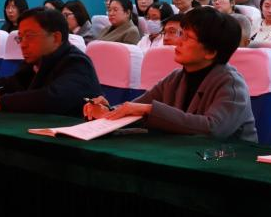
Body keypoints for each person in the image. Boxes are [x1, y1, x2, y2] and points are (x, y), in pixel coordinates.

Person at [86, 7, 256, 142]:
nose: (178, 42)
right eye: (181, 34)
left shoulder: (231, 84)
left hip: (225, 161)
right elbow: (137, 106)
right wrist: (108, 111)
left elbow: (212, 128)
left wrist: (149, 110)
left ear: (210, 52)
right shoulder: (176, 77)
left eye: (188, 37)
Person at [0, 7, 102, 115]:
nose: (23, 44)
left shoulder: (77, 62)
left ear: (56, 38)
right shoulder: (35, 62)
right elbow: (10, 83)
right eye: (20, 38)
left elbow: (53, 98)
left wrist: (2, 102)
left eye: (29, 36)